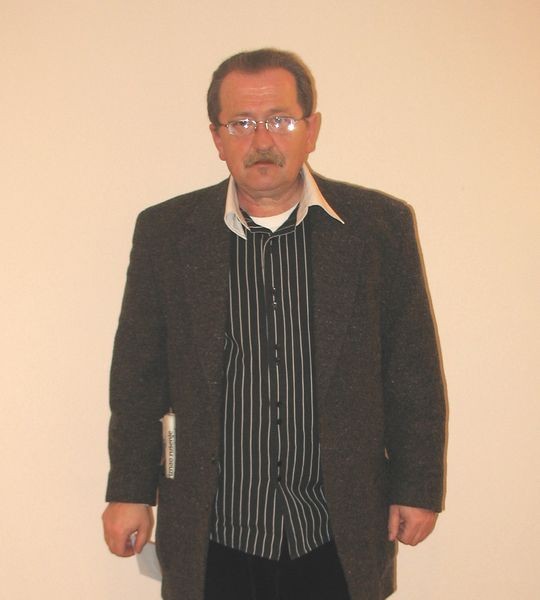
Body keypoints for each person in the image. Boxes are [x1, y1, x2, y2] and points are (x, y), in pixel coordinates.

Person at [102, 48, 446, 600]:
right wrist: (129, 489)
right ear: (216, 138)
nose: (261, 140)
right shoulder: (167, 233)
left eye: (280, 120)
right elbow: (139, 374)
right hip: (215, 532)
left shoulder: (378, 228)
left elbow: (412, 369)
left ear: (311, 129)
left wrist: (418, 485)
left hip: (338, 530)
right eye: (241, 123)